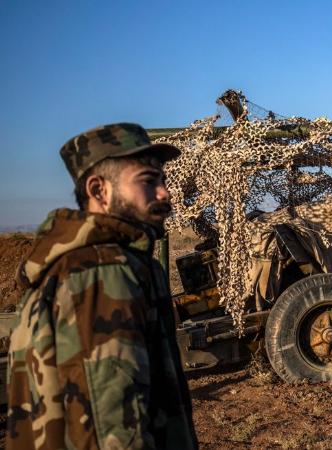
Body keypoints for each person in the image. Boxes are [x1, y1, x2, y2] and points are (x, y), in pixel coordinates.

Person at [6, 124, 198, 449]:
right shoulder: (102, 270)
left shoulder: (70, 266)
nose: (165, 192)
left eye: (162, 181)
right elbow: (115, 426)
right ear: (100, 191)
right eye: (148, 181)